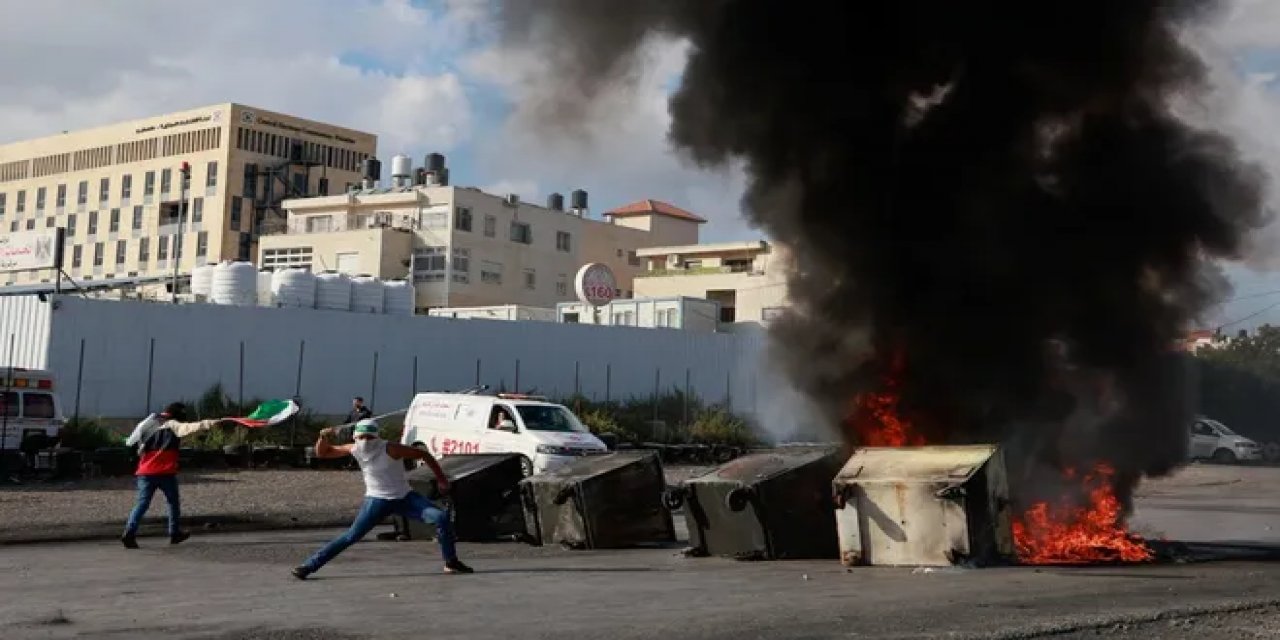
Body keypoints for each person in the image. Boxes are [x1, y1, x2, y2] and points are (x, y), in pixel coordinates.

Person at [292, 418, 473, 579]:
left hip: (404, 497)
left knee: (440, 517)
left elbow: (424, 454)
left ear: (376, 437)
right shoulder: (354, 448)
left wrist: (441, 480)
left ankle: (451, 562)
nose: (365, 442)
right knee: (351, 536)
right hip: (376, 501)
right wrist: (323, 437)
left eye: (369, 438)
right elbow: (323, 452)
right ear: (356, 438)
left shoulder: (391, 448)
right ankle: (308, 566)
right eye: (362, 438)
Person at [121, 402, 231, 549]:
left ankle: (129, 532)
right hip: (166, 473)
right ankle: (174, 533)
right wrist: (212, 423)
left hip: (145, 472)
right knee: (173, 503)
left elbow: (132, 443)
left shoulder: (148, 424)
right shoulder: (173, 425)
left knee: (142, 504)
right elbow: (191, 427)